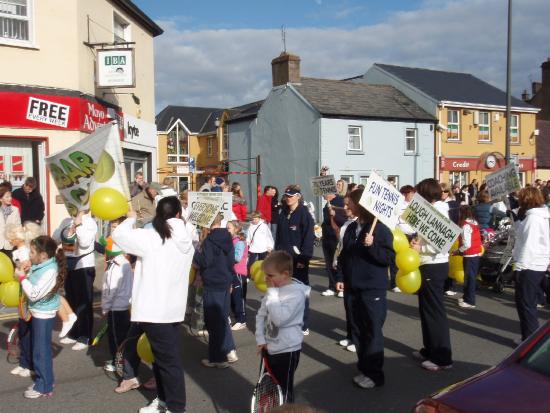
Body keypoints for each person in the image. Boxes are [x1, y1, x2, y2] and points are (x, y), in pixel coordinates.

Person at [112, 196, 194, 413]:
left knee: (168, 363)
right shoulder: (187, 235)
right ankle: (165, 402)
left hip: (154, 310)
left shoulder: (152, 237)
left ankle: (176, 407)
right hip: (172, 309)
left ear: (159, 214)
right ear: (178, 214)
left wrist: (130, 218)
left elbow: (118, 235)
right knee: (163, 360)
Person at [335, 189, 394, 389]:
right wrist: (340, 277)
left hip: (372, 289)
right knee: (358, 329)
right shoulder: (352, 228)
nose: (345, 207)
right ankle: (364, 368)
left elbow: (388, 259)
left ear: (360, 204)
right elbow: (344, 256)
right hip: (353, 287)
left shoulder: (380, 229)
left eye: (348, 203)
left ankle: (375, 375)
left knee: (372, 331)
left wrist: (372, 246)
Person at [255, 251, 310, 403]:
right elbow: (261, 316)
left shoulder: (295, 294)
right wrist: (261, 340)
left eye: (270, 276)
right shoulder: (272, 292)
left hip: (287, 349)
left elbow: (279, 319)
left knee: (283, 392)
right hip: (268, 347)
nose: (266, 279)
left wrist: (272, 292)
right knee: (268, 389)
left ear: (285, 274)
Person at [410, 179, 453, 371]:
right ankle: (430, 349)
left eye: (419, 192)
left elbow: (442, 242)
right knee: (426, 310)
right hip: (429, 264)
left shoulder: (438, 211)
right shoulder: (431, 209)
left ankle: (442, 358)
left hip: (434, 265)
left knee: (434, 311)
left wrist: (421, 247)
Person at [17, 235, 66, 398]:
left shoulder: (50, 270)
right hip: (38, 312)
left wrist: (23, 278)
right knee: (40, 349)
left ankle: (43, 386)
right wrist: (26, 270)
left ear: (43, 255)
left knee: (41, 351)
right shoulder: (43, 265)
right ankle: (45, 380)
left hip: (43, 314)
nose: (30, 255)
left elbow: (34, 294)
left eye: (32, 252)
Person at [193, 214, 238, 368]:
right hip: (225, 280)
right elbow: (231, 261)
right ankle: (229, 350)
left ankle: (218, 357)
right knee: (222, 317)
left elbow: (203, 261)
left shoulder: (209, 241)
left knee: (214, 321)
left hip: (212, 282)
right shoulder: (228, 237)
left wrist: (197, 252)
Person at [54, 210, 97, 351]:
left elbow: (84, 243)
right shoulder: (67, 220)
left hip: (83, 264)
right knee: (71, 300)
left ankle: (85, 337)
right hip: (68, 262)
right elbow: (56, 238)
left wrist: (78, 225)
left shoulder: (89, 222)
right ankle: (74, 333)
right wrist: (66, 228)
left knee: (83, 302)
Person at [275, 185, 315, 335]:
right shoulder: (283, 213)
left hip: (299, 259)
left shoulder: (305, 214)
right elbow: (279, 236)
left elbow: (308, 238)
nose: (288, 198)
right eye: (286, 196)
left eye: (291, 196)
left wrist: (304, 259)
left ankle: (303, 324)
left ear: (298, 197)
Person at [512, 187, 550, 342]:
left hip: (529, 265)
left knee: (526, 306)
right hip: (537, 264)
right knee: (527, 305)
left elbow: (528, 245)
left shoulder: (533, 219)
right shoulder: (539, 216)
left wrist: (519, 267)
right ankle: (528, 339)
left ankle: (529, 341)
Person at [100, 220, 133, 373]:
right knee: (123, 335)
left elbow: (110, 290)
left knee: (115, 338)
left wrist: (105, 308)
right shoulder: (126, 264)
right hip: (125, 306)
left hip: (115, 308)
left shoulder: (115, 266)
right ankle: (124, 361)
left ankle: (117, 361)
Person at [333, 195, 358, 352]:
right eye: (345, 205)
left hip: (356, 271)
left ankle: (357, 338)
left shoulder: (360, 226)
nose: (345, 208)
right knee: (348, 305)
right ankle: (350, 335)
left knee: (356, 308)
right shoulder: (347, 224)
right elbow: (341, 244)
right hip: (346, 268)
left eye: (348, 206)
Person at [453, 205, 482, 309]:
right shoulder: (474, 222)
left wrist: (457, 251)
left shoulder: (465, 225)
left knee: (469, 278)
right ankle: (466, 297)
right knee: (470, 277)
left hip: (470, 254)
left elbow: (467, 244)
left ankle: (470, 301)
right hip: (475, 253)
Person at [320, 192, 347, 297]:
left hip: (337, 236)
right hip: (327, 236)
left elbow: (345, 220)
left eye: (323, 192)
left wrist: (335, 215)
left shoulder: (340, 202)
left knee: (339, 262)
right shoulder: (327, 204)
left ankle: (342, 287)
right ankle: (332, 286)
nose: (321, 194)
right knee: (329, 262)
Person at [227, 220, 248, 331]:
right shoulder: (231, 240)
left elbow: (237, 257)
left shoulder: (239, 241)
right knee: (231, 297)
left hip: (239, 273)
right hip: (231, 272)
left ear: (236, 229)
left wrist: (225, 255)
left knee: (238, 297)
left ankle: (241, 320)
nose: (227, 230)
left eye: (228, 228)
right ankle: (236, 317)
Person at [0, 185, 21, 258]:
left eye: (10, 196)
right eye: (7, 197)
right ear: (1, 199)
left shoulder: (15, 210)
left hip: (10, 245)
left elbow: (18, 227)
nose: (10, 198)